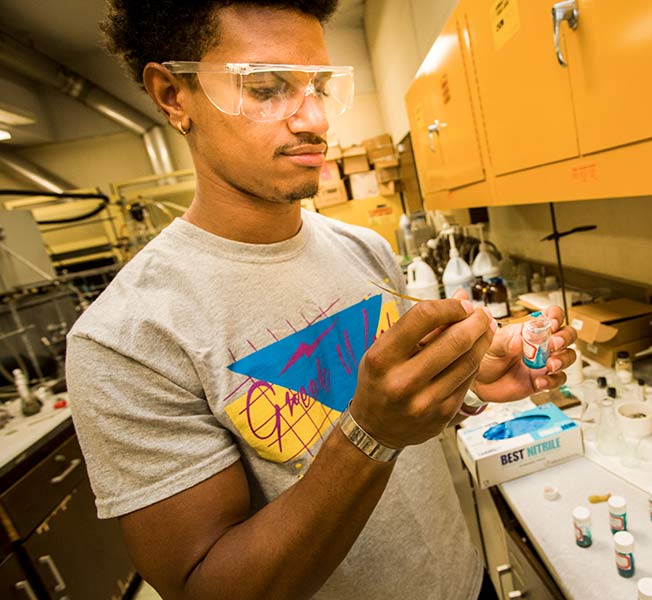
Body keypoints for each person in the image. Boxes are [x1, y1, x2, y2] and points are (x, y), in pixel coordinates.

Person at [65, 2, 577, 599]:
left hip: (464, 582)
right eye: (266, 88)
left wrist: (461, 384)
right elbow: (208, 587)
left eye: (320, 87)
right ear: (173, 95)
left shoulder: (364, 249)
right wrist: (370, 434)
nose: (313, 119)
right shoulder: (128, 338)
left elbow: (403, 433)